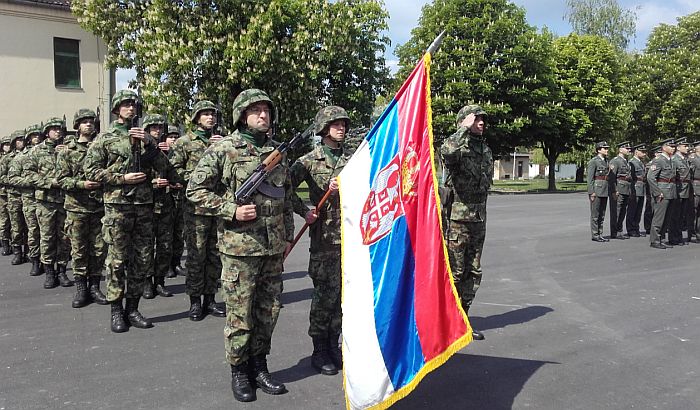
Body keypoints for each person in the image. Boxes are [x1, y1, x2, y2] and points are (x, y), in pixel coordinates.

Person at [187, 89, 292, 402]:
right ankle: (239, 371)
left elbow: (284, 197)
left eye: (266, 110)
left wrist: (286, 235)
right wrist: (230, 209)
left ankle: (260, 366)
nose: (263, 115)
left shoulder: (277, 151)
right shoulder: (225, 149)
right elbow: (195, 190)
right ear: (241, 115)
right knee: (239, 314)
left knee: (268, 310)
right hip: (240, 249)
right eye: (256, 110)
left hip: (273, 248)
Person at [83, 89, 176, 333]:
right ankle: (116, 310)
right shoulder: (105, 138)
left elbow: (165, 167)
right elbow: (90, 170)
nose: (131, 109)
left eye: (134, 105)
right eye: (125, 105)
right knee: (117, 260)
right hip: (118, 206)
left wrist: (149, 143)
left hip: (144, 206)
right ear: (116, 109)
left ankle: (132, 308)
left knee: (143, 259)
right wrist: (120, 178)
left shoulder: (146, 138)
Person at [290, 106, 352, 375]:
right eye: (335, 124)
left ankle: (333, 344)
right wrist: (305, 210)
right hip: (325, 239)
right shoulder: (308, 161)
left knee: (343, 297)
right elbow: (284, 188)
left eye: (343, 124)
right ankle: (318, 349)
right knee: (324, 296)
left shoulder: (354, 159)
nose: (341, 128)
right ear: (324, 128)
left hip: (351, 239)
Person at [440, 104, 493, 341]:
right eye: (476, 119)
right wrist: (462, 129)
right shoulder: (457, 146)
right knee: (455, 271)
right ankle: (446, 323)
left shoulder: (485, 149)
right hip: (457, 219)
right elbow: (447, 152)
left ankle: (463, 320)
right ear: (465, 121)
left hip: (478, 217)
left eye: (483, 119)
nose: (481, 123)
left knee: (473, 270)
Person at [170, 100, 226, 320]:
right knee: (196, 256)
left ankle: (210, 299)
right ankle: (195, 301)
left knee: (214, 255)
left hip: (218, 206)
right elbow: (174, 170)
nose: (210, 118)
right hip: (196, 209)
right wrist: (197, 179)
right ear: (196, 118)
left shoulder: (224, 142)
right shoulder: (185, 142)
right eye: (205, 114)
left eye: (213, 114)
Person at [57, 108, 108, 307]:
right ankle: (81, 288)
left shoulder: (101, 147)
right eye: (84, 121)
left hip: (98, 207)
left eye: (91, 121)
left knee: (98, 249)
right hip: (76, 207)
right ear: (77, 126)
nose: (89, 124)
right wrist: (81, 184)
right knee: (78, 249)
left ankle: (95, 286)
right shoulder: (67, 151)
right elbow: (61, 180)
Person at [25, 118, 72, 289]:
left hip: (65, 200)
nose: (57, 132)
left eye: (60, 129)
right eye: (53, 129)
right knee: (47, 237)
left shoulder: (68, 148)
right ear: (46, 132)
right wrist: (49, 182)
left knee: (65, 238)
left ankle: (62, 270)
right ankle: (49, 271)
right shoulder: (37, 151)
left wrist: (65, 154)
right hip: (46, 201)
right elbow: (29, 174)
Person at [142, 114, 176, 299]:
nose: (157, 130)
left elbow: (175, 172)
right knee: (146, 246)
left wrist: (169, 183)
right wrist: (154, 181)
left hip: (165, 204)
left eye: (160, 127)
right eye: (153, 127)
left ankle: (159, 281)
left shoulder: (168, 149)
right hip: (146, 203)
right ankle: (147, 281)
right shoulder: (139, 148)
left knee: (164, 246)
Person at [9, 124, 44, 277]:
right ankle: (35, 260)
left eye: (38, 135)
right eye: (33, 135)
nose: (36, 138)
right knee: (33, 231)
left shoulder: (47, 152)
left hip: (48, 198)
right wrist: (31, 181)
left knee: (48, 233)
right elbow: (12, 178)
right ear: (29, 139)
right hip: (30, 199)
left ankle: (50, 262)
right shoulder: (21, 157)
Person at [163, 125, 186, 278]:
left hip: (181, 196)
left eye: (175, 137)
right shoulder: (159, 153)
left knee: (180, 233)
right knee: (166, 234)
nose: (173, 139)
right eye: (170, 137)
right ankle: (166, 266)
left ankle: (176, 263)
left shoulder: (180, 151)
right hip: (166, 198)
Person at [647, 139, 677, 249]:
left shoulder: (671, 160)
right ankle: (655, 240)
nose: (673, 148)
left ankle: (661, 238)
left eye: (674, 146)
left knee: (667, 218)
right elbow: (650, 177)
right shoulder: (658, 160)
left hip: (671, 191)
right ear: (664, 148)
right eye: (671, 146)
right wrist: (657, 192)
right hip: (662, 191)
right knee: (659, 218)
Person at [4, 131, 28, 265]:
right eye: (18, 140)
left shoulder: (29, 155)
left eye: (22, 140)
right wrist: (15, 180)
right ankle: (17, 252)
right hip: (13, 196)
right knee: (16, 227)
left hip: (28, 195)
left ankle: (28, 252)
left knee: (30, 227)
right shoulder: (8, 158)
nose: (21, 142)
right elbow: (1, 176)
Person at [587, 142, 611, 242]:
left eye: (606, 148)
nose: (606, 150)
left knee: (602, 214)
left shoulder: (606, 161)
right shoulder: (594, 161)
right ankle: (595, 234)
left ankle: (600, 233)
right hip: (597, 190)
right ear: (598, 150)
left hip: (605, 190)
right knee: (595, 214)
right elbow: (590, 178)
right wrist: (591, 192)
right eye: (604, 148)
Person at [668, 138, 691, 245]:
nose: (687, 148)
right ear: (678, 147)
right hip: (678, 189)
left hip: (685, 190)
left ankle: (679, 236)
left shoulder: (684, 159)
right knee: (675, 215)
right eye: (685, 146)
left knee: (682, 215)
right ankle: (673, 237)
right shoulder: (675, 159)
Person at [608, 141, 632, 239]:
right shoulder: (615, 161)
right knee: (616, 211)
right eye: (627, 148)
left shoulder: (626, 161)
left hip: (626, 188)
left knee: (623, 211)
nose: (629, 150)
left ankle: (619, 230)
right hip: (619, 188)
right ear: (620, 149)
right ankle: (614, 231)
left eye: (629, 149)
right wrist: (614, 190)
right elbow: (612, 177)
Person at [626, 144, 647, 237]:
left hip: (641, 188)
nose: (644, 153)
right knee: (632, 210)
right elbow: (630, 177)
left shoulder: (641, 162)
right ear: (636, 152)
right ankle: (630, 229)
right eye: (642, 151)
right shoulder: (632, 162)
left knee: (638, 210)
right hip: (635, 187)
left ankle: (636, 228)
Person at [0, 136, 13, 256]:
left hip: (14, 194)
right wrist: (12, 180)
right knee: (4, 220)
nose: (8, 146)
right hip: (3, 193)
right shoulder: (3, 159)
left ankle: (15, 243)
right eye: (5, 144)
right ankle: (5, 243)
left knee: (15, 222)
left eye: (9, 144)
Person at [690, 141, 700, 243]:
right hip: (696, 186)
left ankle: (698, 233)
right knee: (693, 211)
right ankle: (690, 232)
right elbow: (690, 175)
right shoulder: (693, 159)